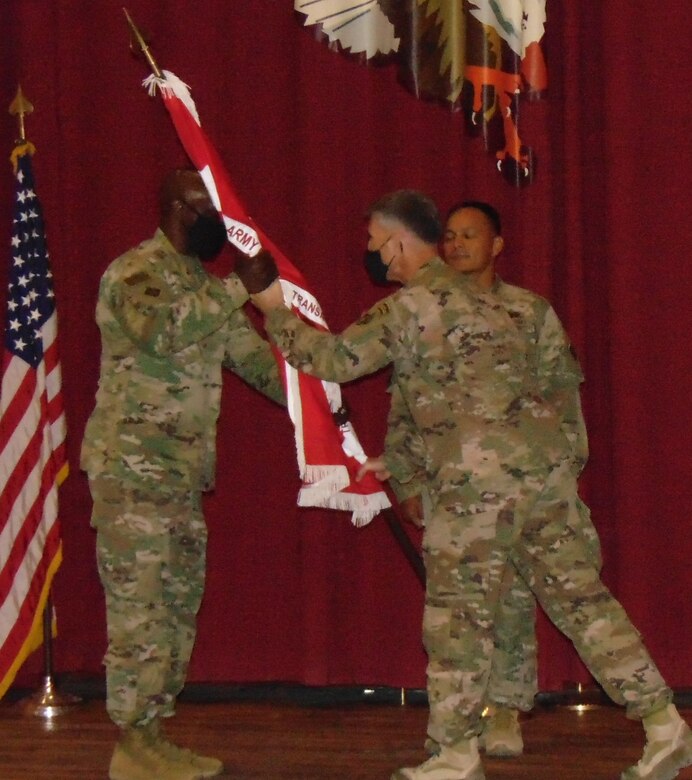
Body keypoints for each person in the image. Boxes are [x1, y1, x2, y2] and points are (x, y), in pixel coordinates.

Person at [235, 189, 692, 780]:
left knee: (457, 619)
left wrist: (272, 307)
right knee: (584, 604)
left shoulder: (413, 306)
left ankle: (454, 753)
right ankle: (664, 724)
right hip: (542, 480)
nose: (374, 255)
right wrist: (401, 462)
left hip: (476, 490)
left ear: (400, 241)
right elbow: (457, 393)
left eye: (376, 244)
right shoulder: (505, 306)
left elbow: (336, 360)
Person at [81, 168, 284, 780]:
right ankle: (130, 743)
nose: (216, 222)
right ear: (175, 208)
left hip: (179, 481)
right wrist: (236, 290)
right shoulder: (134, 273)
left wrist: (316, 399)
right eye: (205, 208)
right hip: (132, 475)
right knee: (138, 614)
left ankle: (150, 735)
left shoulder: (200, 283)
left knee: (173, 610)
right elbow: (162, 331)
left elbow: (254, 362)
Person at [385, 200, 601, 758]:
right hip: (451, 482)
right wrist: (406, 477)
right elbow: (405, 400)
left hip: (522, 481)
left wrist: (562, 471)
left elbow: (561, 392)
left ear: (497, 245)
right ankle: (457, 725)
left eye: (469, 235)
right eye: (449, 236)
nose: (457, 245)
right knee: (457, 608)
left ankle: (503, 708)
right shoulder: (423, 311)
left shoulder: (529, 313)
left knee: (511, 597)